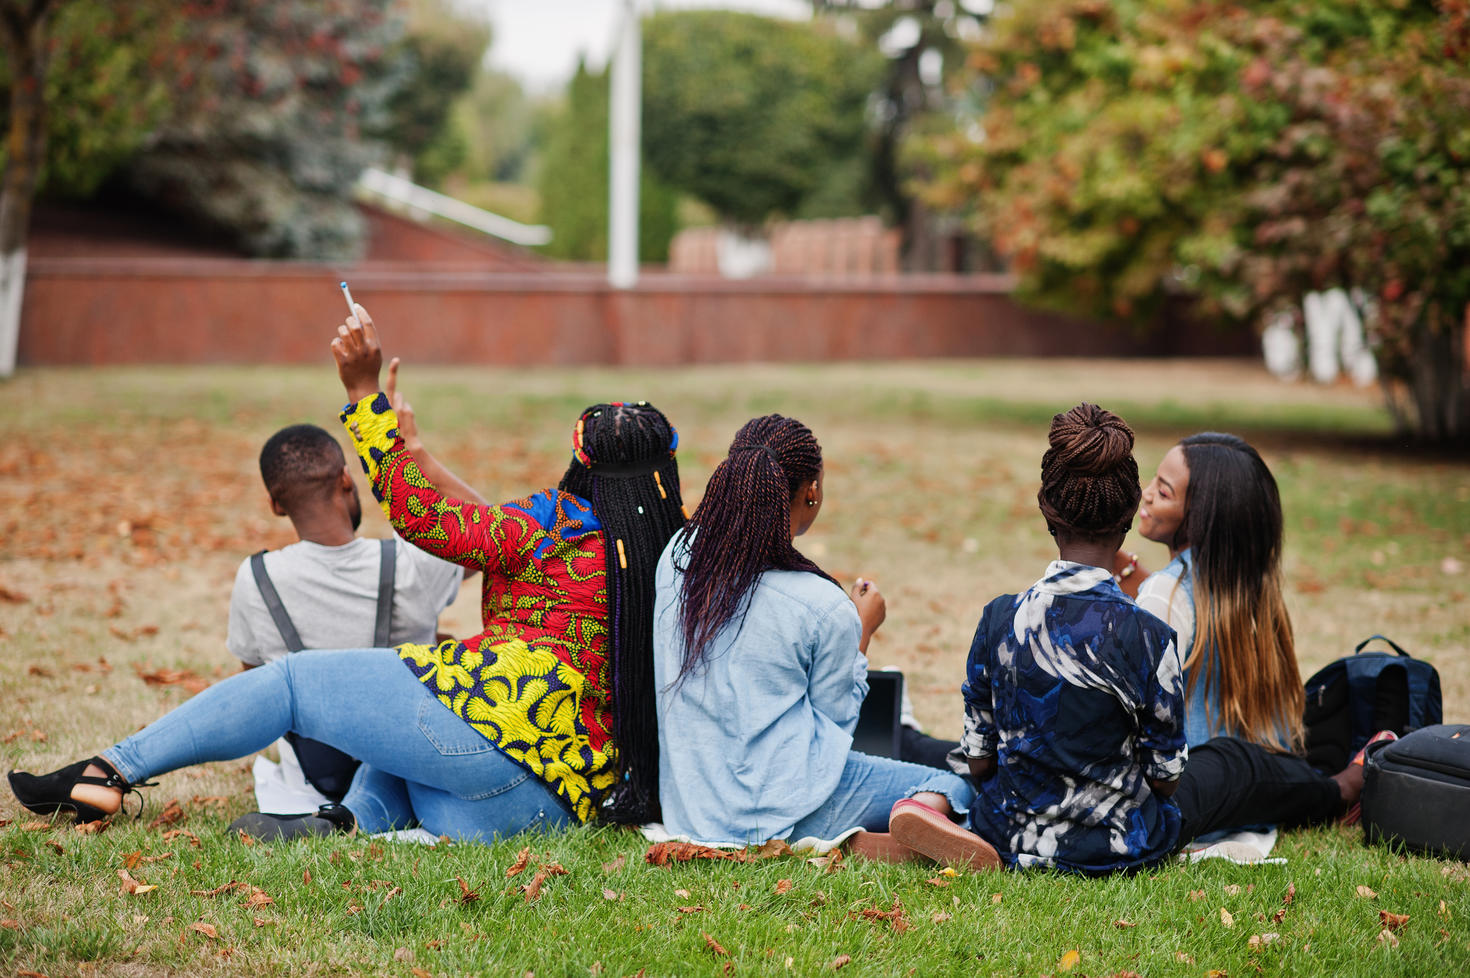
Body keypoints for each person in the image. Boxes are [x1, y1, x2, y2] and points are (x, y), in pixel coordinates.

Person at [7, 304, 686, 841]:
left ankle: (107, 770)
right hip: (536, 810)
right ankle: (349, 821)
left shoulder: (551, 528)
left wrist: (367, 398)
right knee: (414, 704)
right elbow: (496, 529)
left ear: (581, 462)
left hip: (479, 755)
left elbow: (426, 517)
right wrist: (418, 450)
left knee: (300, 682)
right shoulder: (673, 554)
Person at [651, 414, 984, 865]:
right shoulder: (821, 605)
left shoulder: (677, 558)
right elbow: (835, 725)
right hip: (786, 808)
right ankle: (880, 834)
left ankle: (863, 836)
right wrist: (861, 630)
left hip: (692, 808)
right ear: (812, 492)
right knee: (951, 786)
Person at [890, 404, 1187, 874]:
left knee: (960, 779)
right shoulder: (1150, 635)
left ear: (1048, 513)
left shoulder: (999, 619)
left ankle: (935, 810)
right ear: (1128, 516)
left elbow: (980, 759)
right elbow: (1166, 778)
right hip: (1120, 849)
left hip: (1006, 834)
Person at [1133, 433, 1370, 835]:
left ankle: (1339, 789)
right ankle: (1337, 785)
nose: (1146, 494)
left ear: (1200, 517)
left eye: (1163, 490)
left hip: (1188, 790)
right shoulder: (1248, 590)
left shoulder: (1164, 596)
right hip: (1251, 784)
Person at [229, 417, 466, 801]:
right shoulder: (412, 562)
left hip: (310, 783)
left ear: (275, 504)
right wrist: (417, 454)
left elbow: (258, 687)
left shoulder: (256, 577)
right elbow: (499, 541)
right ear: (345, 479)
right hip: (410, 776)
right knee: (446, 645)